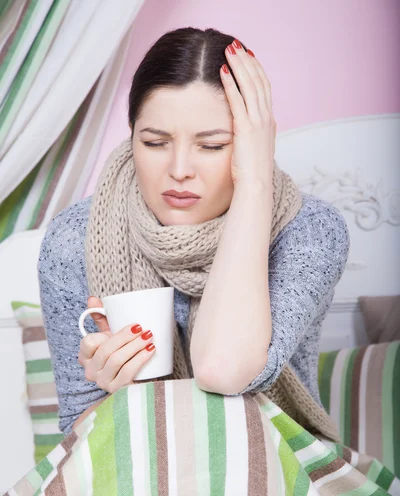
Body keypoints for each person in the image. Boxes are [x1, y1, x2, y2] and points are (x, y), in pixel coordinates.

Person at [38, 26, 350, 437]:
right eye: (154, 142)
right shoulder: (74, 240)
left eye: (213, 145)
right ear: (131, 136)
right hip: (137, 474)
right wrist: (116, 394)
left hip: (278, 473)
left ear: (251, 145)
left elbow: (223, 369)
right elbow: (74, 439)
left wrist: (255, 186)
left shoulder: (309, 231)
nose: (180, 169)